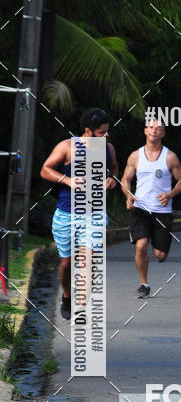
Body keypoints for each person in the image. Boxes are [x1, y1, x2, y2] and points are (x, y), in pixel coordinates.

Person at [41, 108, 118, 321]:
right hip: (66, 213)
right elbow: (45, 169)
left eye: (107, 131)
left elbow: (113, 167)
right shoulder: (67, 147)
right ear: (88, 130)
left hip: (94, 213)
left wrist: (111, 179)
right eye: (102, 132)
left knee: (88, 260)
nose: (106, 136)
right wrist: (68, 181)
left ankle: (81, 309)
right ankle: (67, 297)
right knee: (66, 263)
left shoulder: (108, 148)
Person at [121, 120, 181, 297]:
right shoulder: (135, 156)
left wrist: (170, 194)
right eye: (151, 127)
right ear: (145, 131)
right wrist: (128, 195)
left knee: (160, 255)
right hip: (140, 208)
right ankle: (144, 284)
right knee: (141, 245)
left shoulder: (170, 157)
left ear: (163, 134)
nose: (154, 131)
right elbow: (125, 179)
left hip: (162, 211)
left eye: (159, 129)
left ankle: (158, 247)